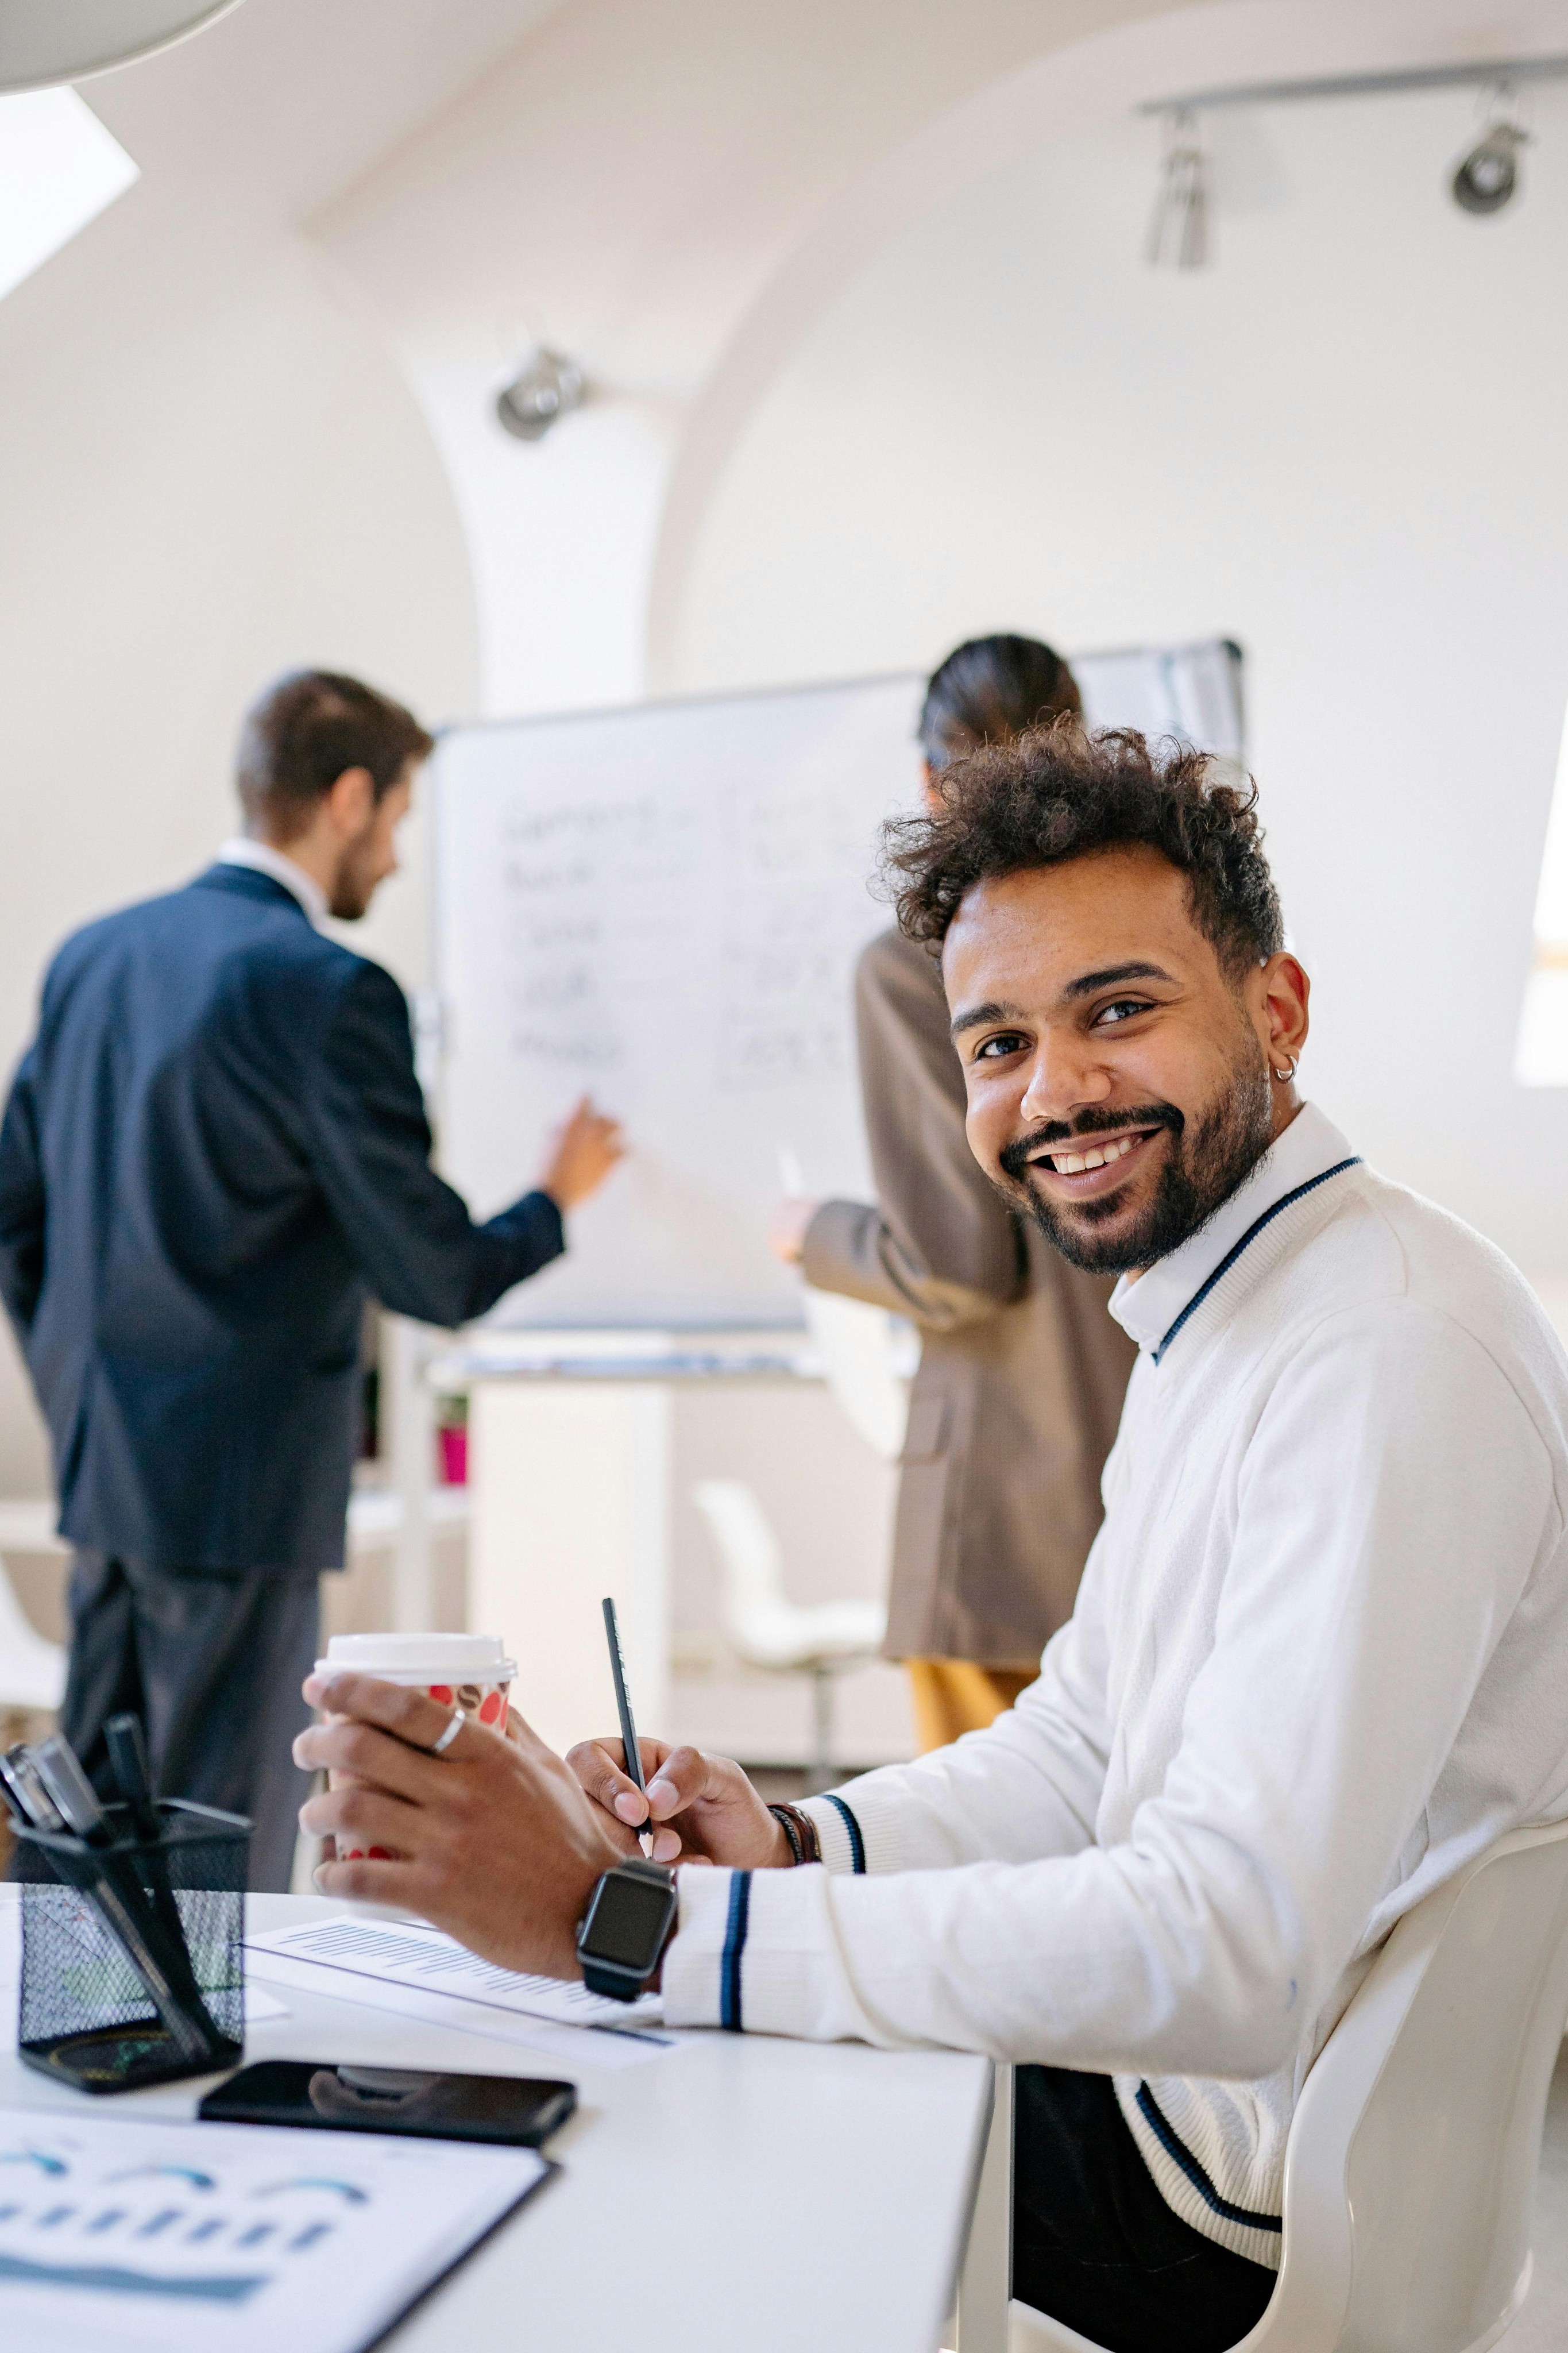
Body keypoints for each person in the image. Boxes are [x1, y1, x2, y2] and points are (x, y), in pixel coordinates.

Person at [295, 720, 1568, 2352]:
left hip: (1207, 2190)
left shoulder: (1382, 1346)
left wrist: (643, 1928)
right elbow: (1081, 1747)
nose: (1055, 1090)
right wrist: (790, 1845)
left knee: (640, 2120)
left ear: (1277, 1010)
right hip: (1183, 2110)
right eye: (998, 1043)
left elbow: (1225, 1944)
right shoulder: (1236, 1312)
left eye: (1118, 1009)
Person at [0, 668, 624, 1891]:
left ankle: (66, 2020)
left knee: (82, 1833)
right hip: (240, 1484)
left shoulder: (94, 956)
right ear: (348, 798)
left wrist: (79, 1386)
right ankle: (187, 2026)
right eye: (395, 819)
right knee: (210, 1841)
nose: (393, 856)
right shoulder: (328, 990)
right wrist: (554, 1197)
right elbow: (433, 1271)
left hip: (106, 1462)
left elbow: (15, 1210)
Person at [770, 637, 1134, 1750]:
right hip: (1150, 1489)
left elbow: (957, 1266)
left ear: (930, 782)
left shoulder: (914, 960)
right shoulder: (1154, 933)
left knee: (984, 1847)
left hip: (997, 1523)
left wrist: (815, 1235)